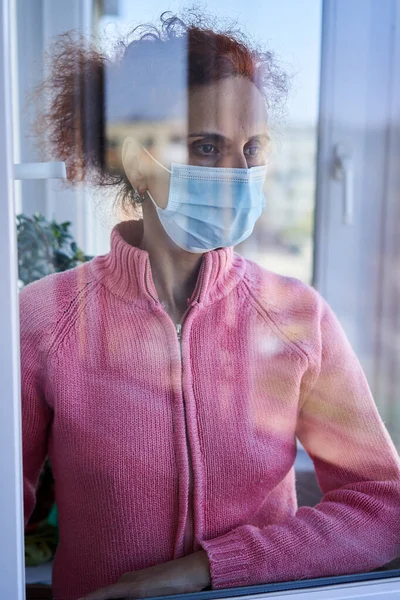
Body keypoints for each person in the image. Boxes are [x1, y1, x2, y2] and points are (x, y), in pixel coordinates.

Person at [20, 12, 400, 600]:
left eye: (253, 148)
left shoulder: (296, 315)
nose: (241, 173)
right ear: (139, 159)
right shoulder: (45, 320)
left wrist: (209, 570)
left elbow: (385, 507)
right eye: (206, 146)